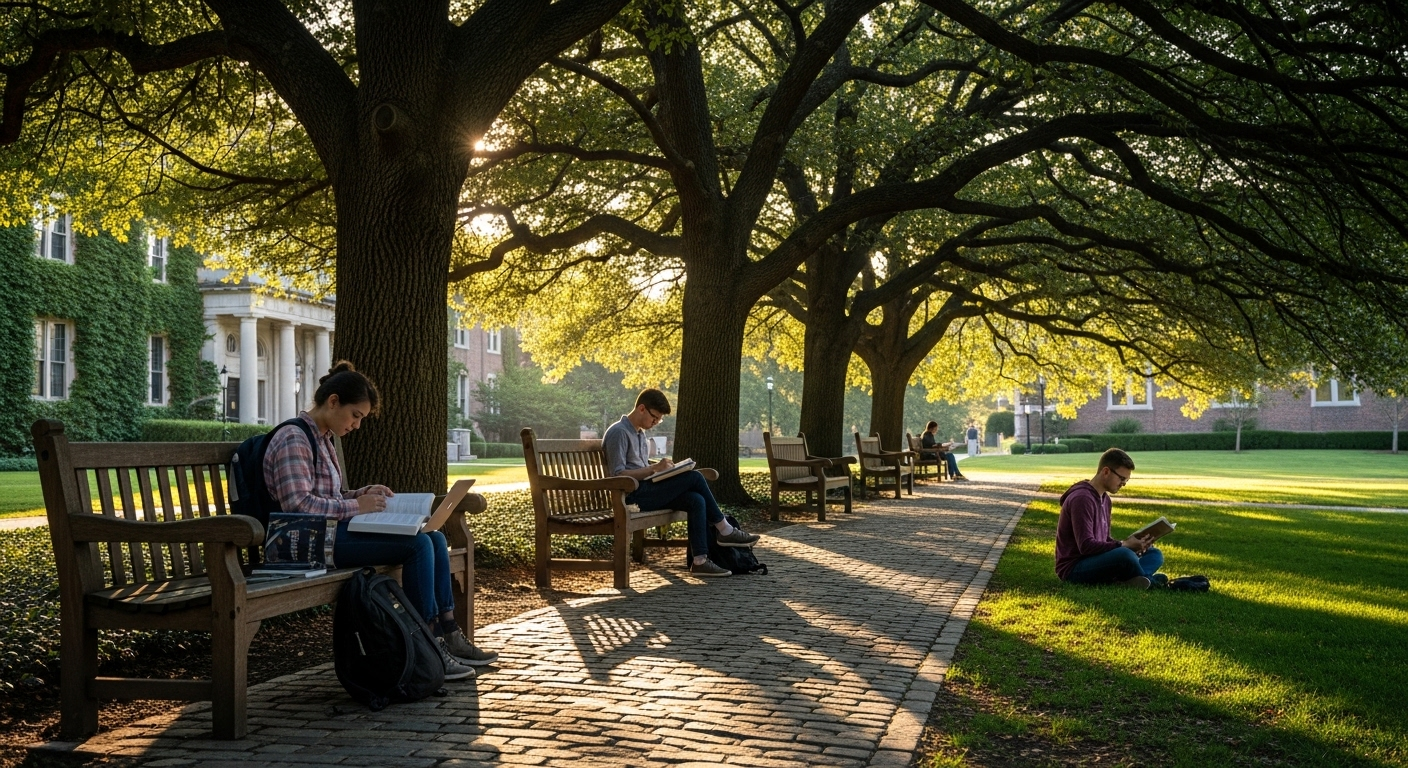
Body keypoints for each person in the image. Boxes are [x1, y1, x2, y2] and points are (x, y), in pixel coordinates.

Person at [264, 361, 498, 679]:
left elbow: (331, 495)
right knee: (417, 545)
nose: (357, 425)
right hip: (308, 544)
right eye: (355, 415)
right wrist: (357, 506)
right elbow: (298, 506)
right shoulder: (294, 438)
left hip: (331, 534)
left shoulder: (323, 438)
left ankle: (448, 632)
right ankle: (427, 647)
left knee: (434, 537)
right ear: (333, 401)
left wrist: (362, 494)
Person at [603, 389, 759, 577]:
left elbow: (641, 467)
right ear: (642, 409)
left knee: (695, 500)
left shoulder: (639, 434)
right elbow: (617, 475)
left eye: (659, 420)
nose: (655, 422)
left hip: (646, 490)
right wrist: (654, 469)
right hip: (630, 498)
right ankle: (724, 529)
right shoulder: (619, 432)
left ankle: (700, 561)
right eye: (654, 417)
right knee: (694, 477)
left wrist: (667, 470)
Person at [1055, 448, 1164, 589]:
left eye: (1126, 480)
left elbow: (1104, 540)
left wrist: (1135, 545)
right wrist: (1124, 545)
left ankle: (1134, 580)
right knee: (1125, 555)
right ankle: (1150, 581)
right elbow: (1086, 546)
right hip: (1075, 567)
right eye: (1122, 478)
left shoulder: (1106, 500)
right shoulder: (1082, 498)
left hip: (1097, 560)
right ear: (1106, 472)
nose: (1124, 484)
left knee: (1154, 554)